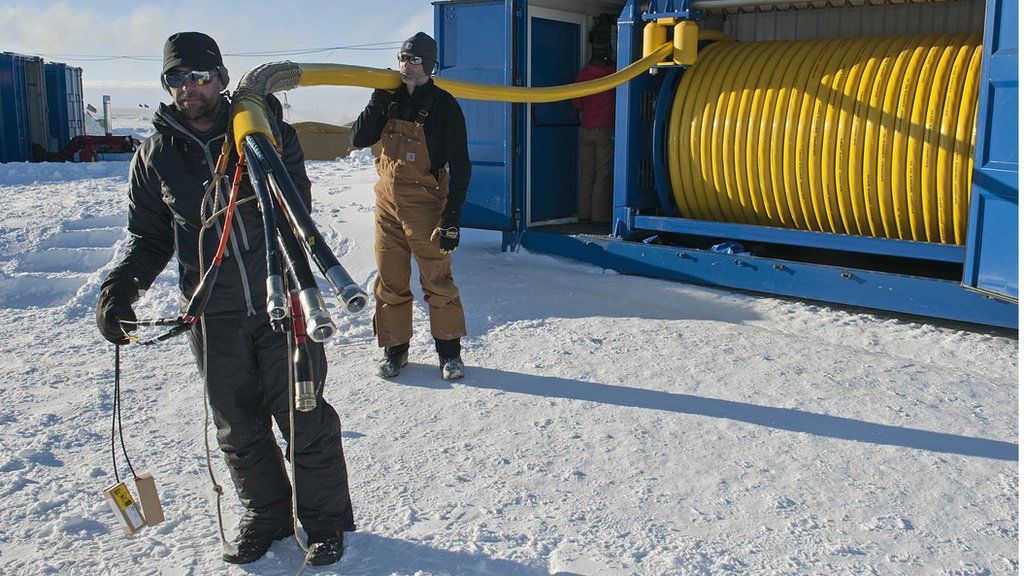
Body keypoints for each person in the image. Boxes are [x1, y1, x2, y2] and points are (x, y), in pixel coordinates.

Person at [94, 32, 354, 567]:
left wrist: (263, 126)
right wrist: (121, 288)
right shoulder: (155, 155)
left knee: (304, 415)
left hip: (282, 299)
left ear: (222, 78)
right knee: (237, 425)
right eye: (175, 79)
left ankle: (324, 521)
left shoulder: (262, 132)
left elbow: (293, 200)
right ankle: (267, 513)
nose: (188, 88)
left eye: (199, 76)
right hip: (213, 314)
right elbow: (150, 238)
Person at [351, 32, 471, 381]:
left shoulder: (445, 105)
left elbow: (461, 166)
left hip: (425, 206)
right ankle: (395, 351)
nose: (407, 65)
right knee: (389, 280)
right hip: (387, 203)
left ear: (430, 65)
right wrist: (375, 101)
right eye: (403, 58)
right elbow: (359, 139)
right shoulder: (387, 100)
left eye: (415, 59)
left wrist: (452, 217)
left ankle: (449, 353)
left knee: (437, 278)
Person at [571, 46, 616, 225]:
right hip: (604, 130)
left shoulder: (583, 75)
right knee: (603, 174)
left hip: (587, 129)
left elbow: (576, 103)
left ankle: (584, 214)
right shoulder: (613, 74)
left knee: (587, 174)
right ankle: (599, 217)